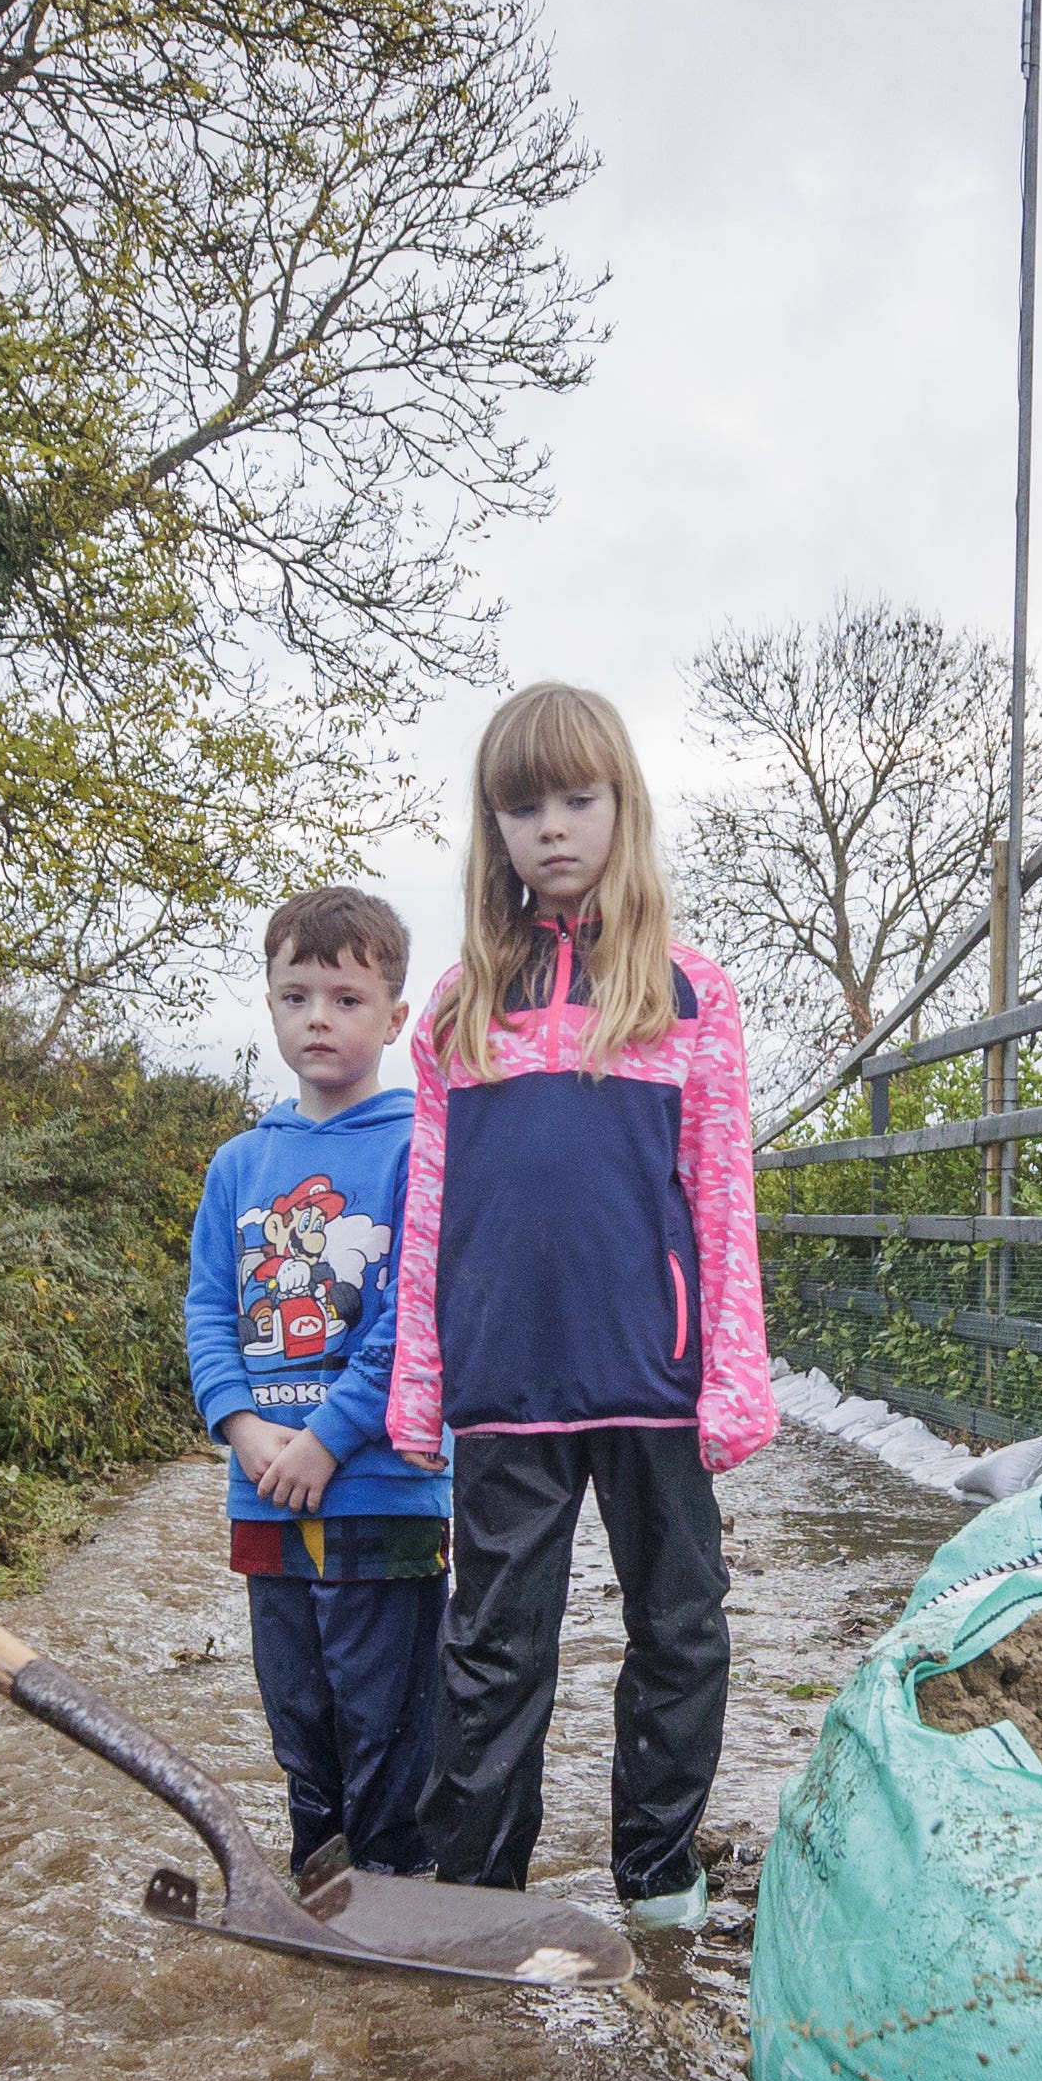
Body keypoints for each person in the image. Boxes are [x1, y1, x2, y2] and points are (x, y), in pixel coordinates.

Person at [387, 682, 775, 1929]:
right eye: (522, 804)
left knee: (678, 1626)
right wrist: (418, 1379)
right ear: (492, 828)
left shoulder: (688, 994)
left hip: (652, 1381)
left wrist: (733, 1373)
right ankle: (477, 1894)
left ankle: (657, 1874)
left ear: (621, 808)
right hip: (506, 1386)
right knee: (494, 1645)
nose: (551, 826)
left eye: (576, 797)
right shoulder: (457, 1008)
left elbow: (722, 1200)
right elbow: (432, 1206)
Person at [183, 889, 452, 1877]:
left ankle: (396, 1898)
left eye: (345, 997)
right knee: (300, 1718)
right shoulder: (239, 1163)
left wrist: (332, 1433)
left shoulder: (423, 1149)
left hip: (384, 1485)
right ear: (269, 1006)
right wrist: (240, 1423)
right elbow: (208, 1309)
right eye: (297, 995)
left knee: (387, 1722)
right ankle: (318, 1886)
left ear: (395, 1016)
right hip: (263, 1487)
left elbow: (421, 1315)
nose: (319, 1018)